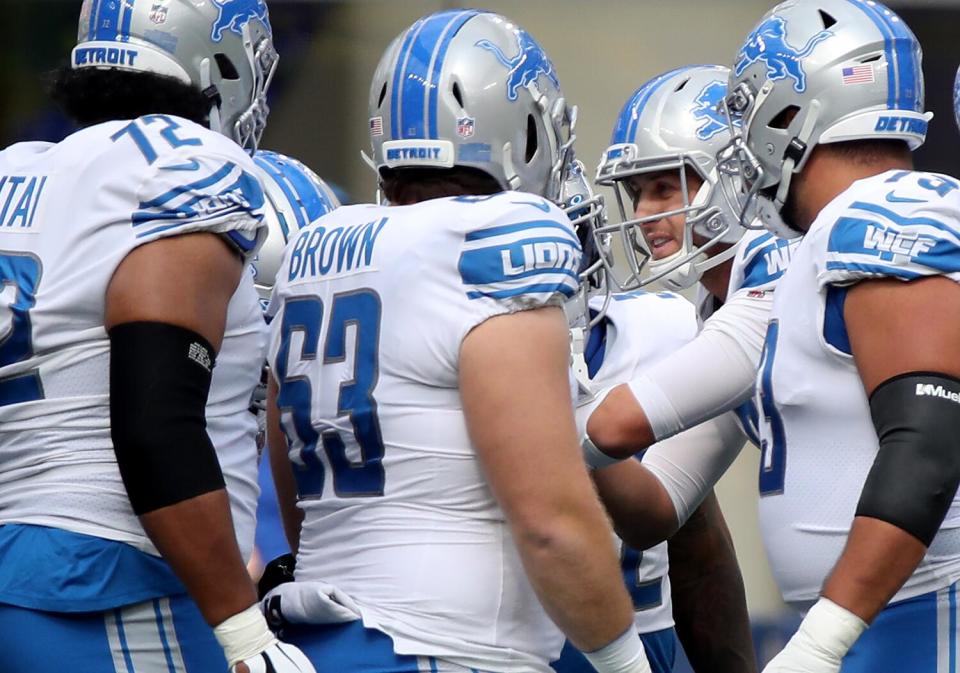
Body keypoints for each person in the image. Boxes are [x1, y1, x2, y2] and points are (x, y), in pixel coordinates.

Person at [264, 9, 652, 673]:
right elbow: (550, 520)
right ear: (526, 133)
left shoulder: (313, 249)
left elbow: (295, 489)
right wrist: (624, 662)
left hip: (320, 639)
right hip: (443, 649)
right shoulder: (496, 238)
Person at [0, 2, 314, 671]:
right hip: (114, 582)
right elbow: (154, 418)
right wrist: (244, 632)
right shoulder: (183, 162)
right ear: (222, 61)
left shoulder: (17, 171)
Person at [719, 1, 960, 670]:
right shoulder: (816, 244)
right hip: (870, 618)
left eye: (749, 110)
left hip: (916, 619)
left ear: (792, 112)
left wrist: (821, 643)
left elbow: (930, 442)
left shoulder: (883, 211)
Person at [548, 97, 756, 673]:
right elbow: (661, 509)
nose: (641, 215)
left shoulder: (684, 323)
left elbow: (696, 541)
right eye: (637, 193)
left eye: (665, 188)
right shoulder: (708, 313)